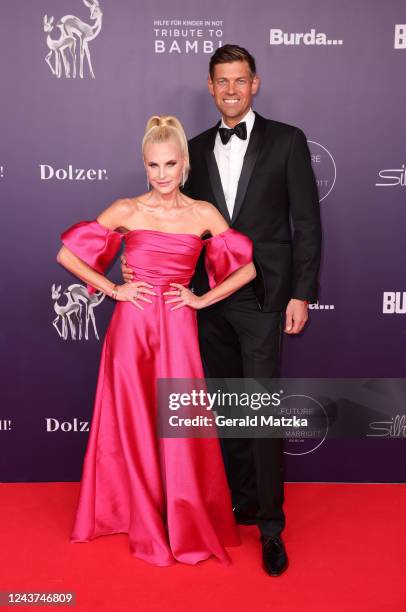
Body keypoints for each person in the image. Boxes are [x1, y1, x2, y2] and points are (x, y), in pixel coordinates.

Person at [121, 44, 323, 577]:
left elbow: (306, 222)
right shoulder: (190, 149)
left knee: (258, 412)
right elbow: (169, 219)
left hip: (262, 300)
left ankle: (271, 528)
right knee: (224, 412)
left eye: (240, 80)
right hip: (203, 304)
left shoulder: (288, 141)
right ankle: (235, 504)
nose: (231, 90)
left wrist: (302, 292)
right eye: (222, 82)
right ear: (210, 87)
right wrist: (132, 268)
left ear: (254, 84)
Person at [56, 114, 257, 567]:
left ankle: (182, 514)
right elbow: (68, 254)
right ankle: (137, 513)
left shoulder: (202, 214)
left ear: (184, 163)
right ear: (144, 165)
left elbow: (246, 268)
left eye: (169, 164)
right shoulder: (127, 209)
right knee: (133, 419)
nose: (162, 175)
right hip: (132, 327)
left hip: (179, 328)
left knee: (180, 422)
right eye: (153, 166)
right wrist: (113, 289)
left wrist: (203, 300)